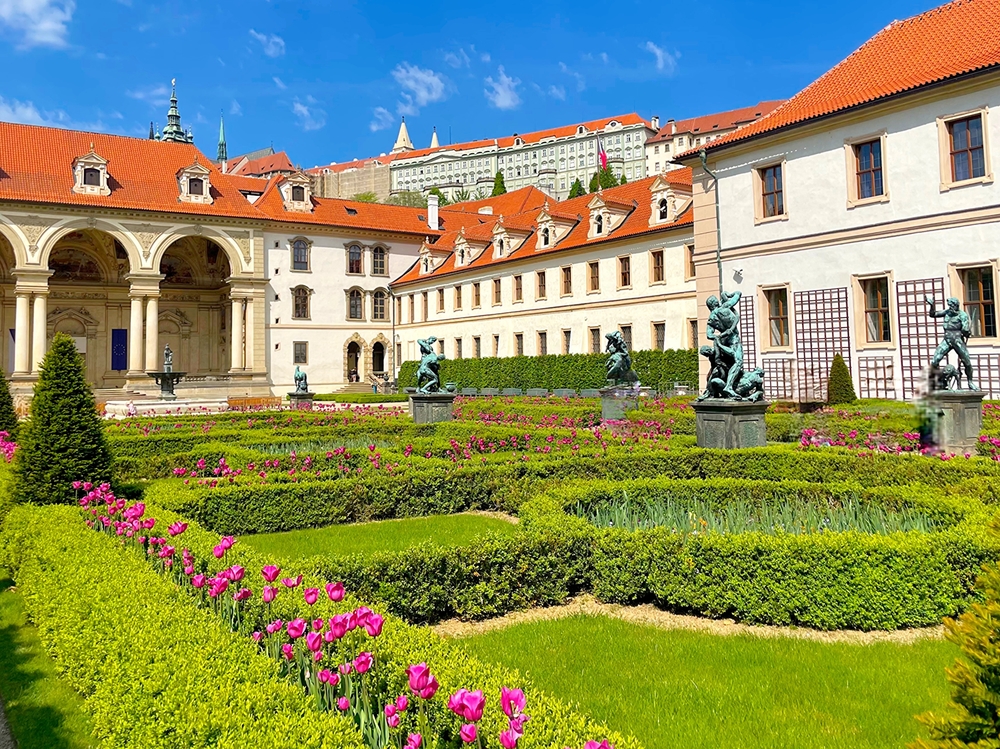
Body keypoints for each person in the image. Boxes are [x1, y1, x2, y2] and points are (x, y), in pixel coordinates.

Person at [925, 295, 978, 390]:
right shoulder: (947, 312)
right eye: (949, 306)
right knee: (935, 360)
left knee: (967, 362)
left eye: (951, 306)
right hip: (947, 339)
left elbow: (965, 329)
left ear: (956, 306)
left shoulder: (963, 315)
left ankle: (970, 382)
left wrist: (966, 331)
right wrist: (932, 306)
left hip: (957, 340)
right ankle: (941, 382)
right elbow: (933, 314)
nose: (950, 308)